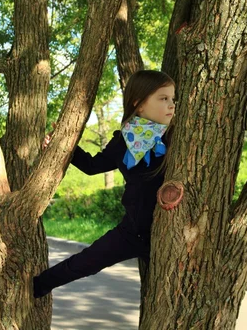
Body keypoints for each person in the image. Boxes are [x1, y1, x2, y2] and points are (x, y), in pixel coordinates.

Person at [33, 70, 176, 298]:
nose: (171, 104)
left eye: (172, 99)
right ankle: (35, 287)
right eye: (163, 98)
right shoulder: (123, 141)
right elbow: (92, 166)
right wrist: (59, 146)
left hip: (169, 232)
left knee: (170, 292)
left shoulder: (175, 138)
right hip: (132, 231)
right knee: (84, 262)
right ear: (138, 104)